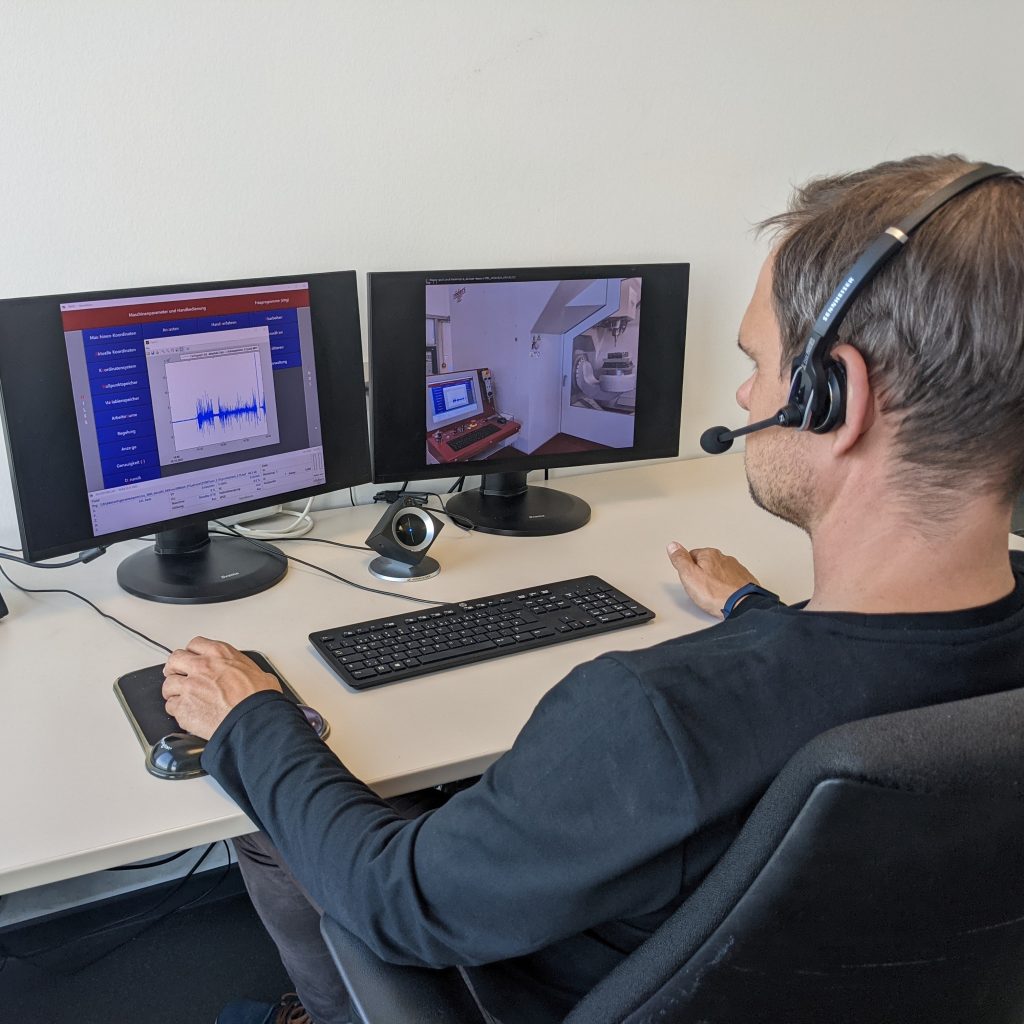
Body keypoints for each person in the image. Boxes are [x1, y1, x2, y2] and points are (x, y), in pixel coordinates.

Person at [163, 154, 1024, 1024]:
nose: (743, 392)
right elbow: (875, 681)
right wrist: (754, 613)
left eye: (759, 363)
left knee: (278, 825)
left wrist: (251, 716)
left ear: (834, 396)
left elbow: (397, 901)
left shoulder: (655, 716)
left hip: (533, 991)